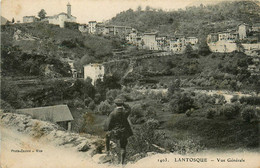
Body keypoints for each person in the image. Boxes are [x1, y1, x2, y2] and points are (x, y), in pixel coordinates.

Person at [103, 98, 133, 165]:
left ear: (115, 104)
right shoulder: (125, 112)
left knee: (107, 136)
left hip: (116, 133)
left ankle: (107, 151)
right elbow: (129, 108)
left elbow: (108, 124)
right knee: (123, 147)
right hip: (124, 132)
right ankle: (122, 163)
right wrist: (123, 103)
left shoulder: (113, 113)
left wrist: (108, 129)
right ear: (122, 105)